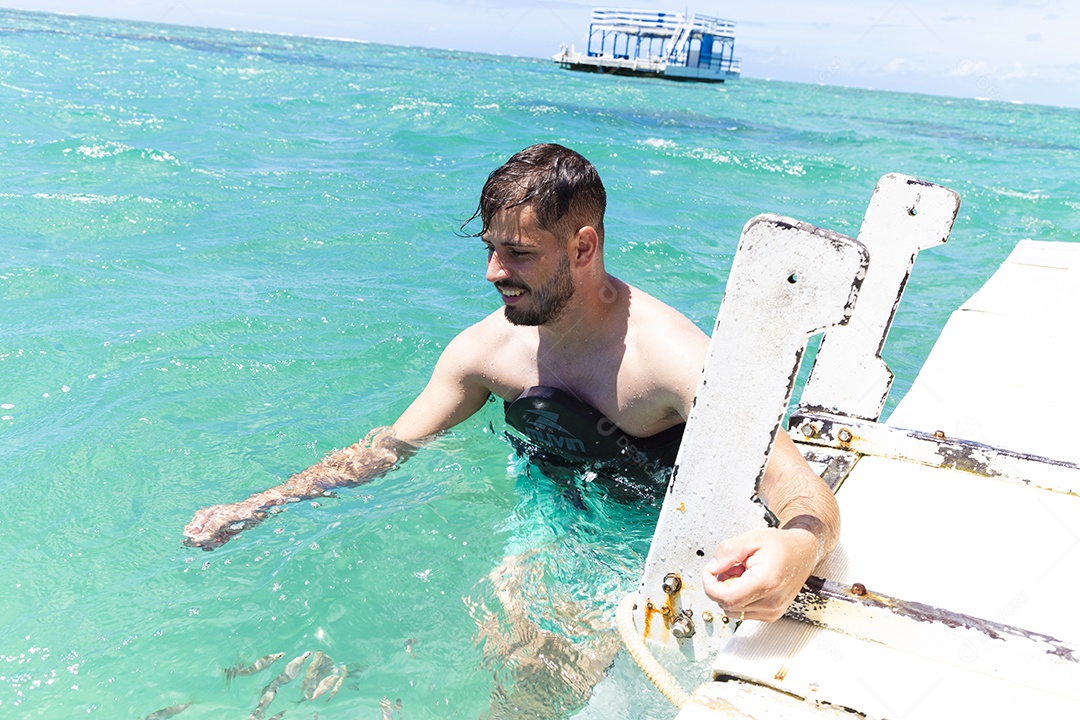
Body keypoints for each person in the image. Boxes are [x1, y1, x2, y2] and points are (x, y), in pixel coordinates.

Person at [183, 143, 839, 624]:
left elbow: (795, 481)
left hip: (649, 535)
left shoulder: (667, 359)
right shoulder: (484, 351)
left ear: (583, 248)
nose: (494, 273)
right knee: (509, 635)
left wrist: (796, 546)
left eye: (519, 253)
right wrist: (265, 501)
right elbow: (389, 447)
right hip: (557, 516)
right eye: (491, 249)